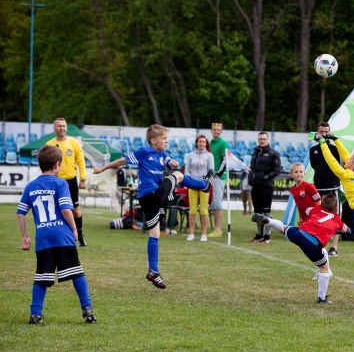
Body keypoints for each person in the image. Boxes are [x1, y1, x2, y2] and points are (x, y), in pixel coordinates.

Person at [94, 124, 215, 289]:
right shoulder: (144, 152)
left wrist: (172, 162)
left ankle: (153, 271)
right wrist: (104, 167)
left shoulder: (161, 154)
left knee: (155, 233)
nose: (166, 142)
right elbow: (123, 160)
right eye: (164, 139)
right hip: (151, 194)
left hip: (149, 199)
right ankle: (205, 185)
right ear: (153, 140)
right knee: (178, 175)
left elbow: (169, 162)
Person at [17, 145, 97, 325]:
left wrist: (25, 236)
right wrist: (74, 229)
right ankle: (87, 309)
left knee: (42, 276)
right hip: (62, 235)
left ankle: (35, 314)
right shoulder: (60, 183)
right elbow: (66, 209)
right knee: (77, 272)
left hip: (43, 238)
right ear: (57, 164)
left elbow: (20, 213)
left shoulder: (31, 186)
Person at [309, 131, 354, 304]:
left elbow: (332, 163)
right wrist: (336, 140)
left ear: (350, 167)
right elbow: (348, 157)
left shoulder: (347, 174)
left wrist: (322, 143)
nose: (346, 160)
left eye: (348, 161)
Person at [252, 194, 350, 304]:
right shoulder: (337, 220)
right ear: (336, 209)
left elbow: (308, 210)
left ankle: (268, 221)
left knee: (284, 228)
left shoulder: (316, 209)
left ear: (322, 204)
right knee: (324, 267)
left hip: (300, 232)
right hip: (312, 243)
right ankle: (321, 298)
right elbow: (347, 230)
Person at [46, 118, 89, 247]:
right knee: (56, 210)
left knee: (75, 210)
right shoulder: (49, 144)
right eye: (59, 126)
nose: (62, 128)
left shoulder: (74, 142)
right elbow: (46, 164)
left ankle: (80, 236)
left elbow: (81, 161)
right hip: (55, 181)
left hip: (70, 180)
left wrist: (83, 178)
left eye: (63, 126)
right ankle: (58, 237)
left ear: (66, 128)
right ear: (54, 128)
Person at [309, 121, 341, 256]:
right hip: (318, 187)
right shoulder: (313, 150)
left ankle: (334, 247)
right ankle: (320, 243)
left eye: (326, 132)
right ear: (317, 133)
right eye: (321, 132)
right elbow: (314, 166)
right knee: (318, 215)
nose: (323, 135)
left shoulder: (334, 149)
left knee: (335, 215)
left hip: (332, 186)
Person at [248, 131, 282, 243]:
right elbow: (253, 168)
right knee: (257, 212)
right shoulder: (255, 152)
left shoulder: (273, 153)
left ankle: (267, 237)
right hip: (255, 186)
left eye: (264, 139)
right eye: (260, 139)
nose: (262, 141)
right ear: (258, 140)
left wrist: (265, 177)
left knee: (266, 212)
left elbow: (277, 170)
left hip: (267, 187)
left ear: (268, 140)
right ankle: (259, 235)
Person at [184, 135, 214, 242]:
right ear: (196, 143)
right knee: (192, 209)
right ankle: (191, 233)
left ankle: (204, 234)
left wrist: (207, 182)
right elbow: (187, 170)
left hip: (203, 184)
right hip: (192, 183)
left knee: (203, 210)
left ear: (206, 144)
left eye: (203, 142)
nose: (201, 144)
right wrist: (187, 181)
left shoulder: (209, 155)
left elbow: (211, 170)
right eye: (200, 142)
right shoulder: (190, 155)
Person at [208, 122, 229, 238]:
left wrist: (219, 173)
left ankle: (218, 229)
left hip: (218, 176)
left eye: (218, 129)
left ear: (221, 131)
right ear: (211, 130)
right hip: (210, 176)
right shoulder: (210, 143)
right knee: (211, 203)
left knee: (217, 202)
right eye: (214, 129)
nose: (216, 131)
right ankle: (213, 228)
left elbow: (225, 160)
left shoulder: (223, 143)